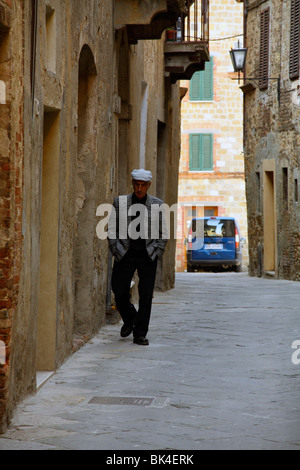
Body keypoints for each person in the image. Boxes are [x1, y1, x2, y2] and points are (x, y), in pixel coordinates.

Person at [108, 169, 168, 345]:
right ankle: (130, 318)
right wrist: (115, 249)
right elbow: (111, 229)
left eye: (143, 185)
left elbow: (163, 233)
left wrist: (156, 251)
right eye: (136, 185)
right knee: (118, 290)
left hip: (147, 255)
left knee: (146, 295)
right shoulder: (120, 202)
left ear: (148, 186)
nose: (139, 189)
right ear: (132, 183)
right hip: (125, 254)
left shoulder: (157, 205)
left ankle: (140, 333)